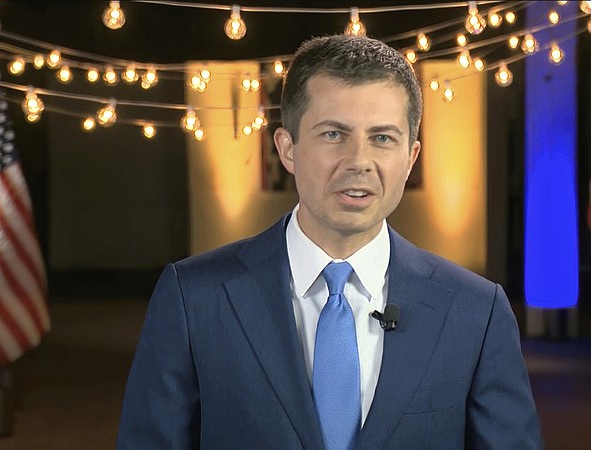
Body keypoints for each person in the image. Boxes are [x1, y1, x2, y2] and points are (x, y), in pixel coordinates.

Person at [116, 34, 542, 450]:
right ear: (287, 148)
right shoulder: (194, 297)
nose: (359, 161)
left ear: (410, 157)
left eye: (382, 138)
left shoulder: (475, 310)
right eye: (333, 134)